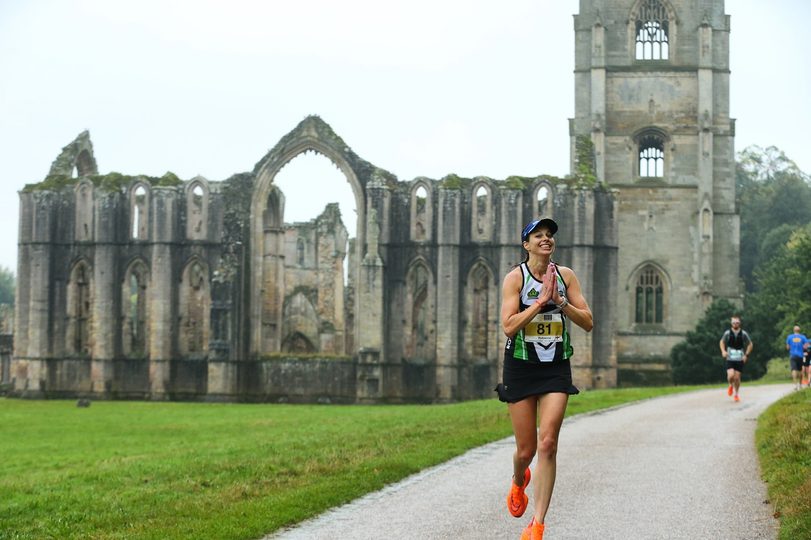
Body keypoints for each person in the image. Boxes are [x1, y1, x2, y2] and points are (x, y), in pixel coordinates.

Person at [496, 218, 593, 540]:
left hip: (555, 366)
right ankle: (518, 479)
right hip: (521, 366)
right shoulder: (516, 278)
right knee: (526, 450)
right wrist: (540, 302)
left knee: (548, 443)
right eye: (538, 235)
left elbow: (588, 322)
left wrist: (561, 302)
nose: (546, 239)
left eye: (550, 235)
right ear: (526, 245)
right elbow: (509, 326)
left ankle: (537, 524)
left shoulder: (566, 277)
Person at [718, 315, 752, 402]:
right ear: (731, 323)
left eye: (737, 322)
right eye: (733, 323)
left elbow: (750, 344)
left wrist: (746, 355)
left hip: (739, 358)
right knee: (730, 376)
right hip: (730, 357)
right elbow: (722, 342)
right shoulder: (727, 333)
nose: (735, 324)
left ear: (739, 323)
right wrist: (723, 351)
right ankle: (730, 385)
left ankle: (736, 394)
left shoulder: (743, 334)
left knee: (737, 378)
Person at [785, 325, 809, 390]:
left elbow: (787, 347)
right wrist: (803, 348)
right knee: (800, 370)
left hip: (793, 355)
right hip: (801, 356)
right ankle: (800, 384)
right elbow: (806, 345)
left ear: (794, 330)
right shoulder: (803, 337)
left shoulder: (789, 337)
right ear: (799, 330)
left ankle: (795, 385)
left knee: (793, 370)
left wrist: (791, 347)